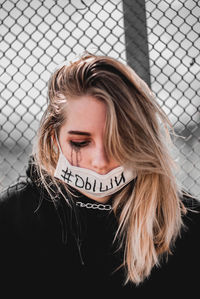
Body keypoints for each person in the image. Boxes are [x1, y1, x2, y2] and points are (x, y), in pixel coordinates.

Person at [0, 53, 199, 297]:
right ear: (54, 140)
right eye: (80, 142)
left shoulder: (186, 223)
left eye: (119, 141)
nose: (101, 161)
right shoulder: (12, 220)